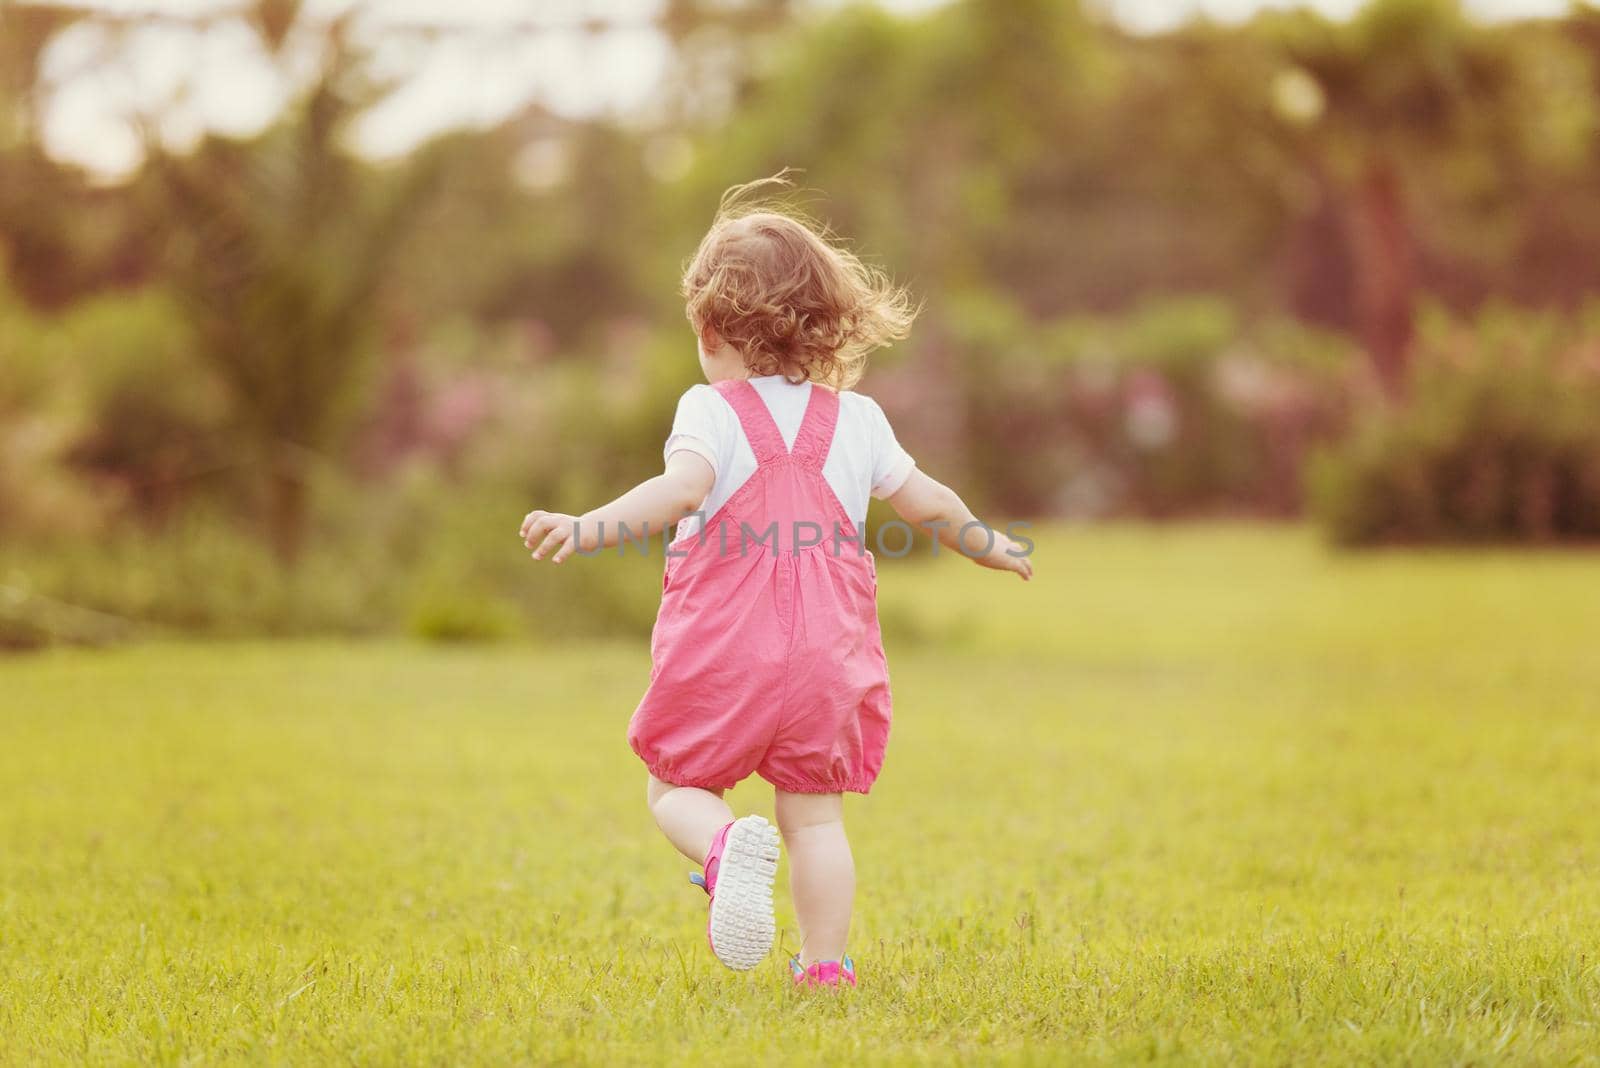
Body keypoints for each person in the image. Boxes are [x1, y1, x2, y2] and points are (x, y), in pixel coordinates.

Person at [520, 177, 1032, 989]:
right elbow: (927, 501)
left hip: (726, 650)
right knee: (816, 817)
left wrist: (588, 526)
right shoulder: (858, 420)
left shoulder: (710, 410)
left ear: (714, 327)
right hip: (828, 656)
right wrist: (991, 544)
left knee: (674, 785)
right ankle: (825, 969)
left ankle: (723, 846)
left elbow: (682, 490)